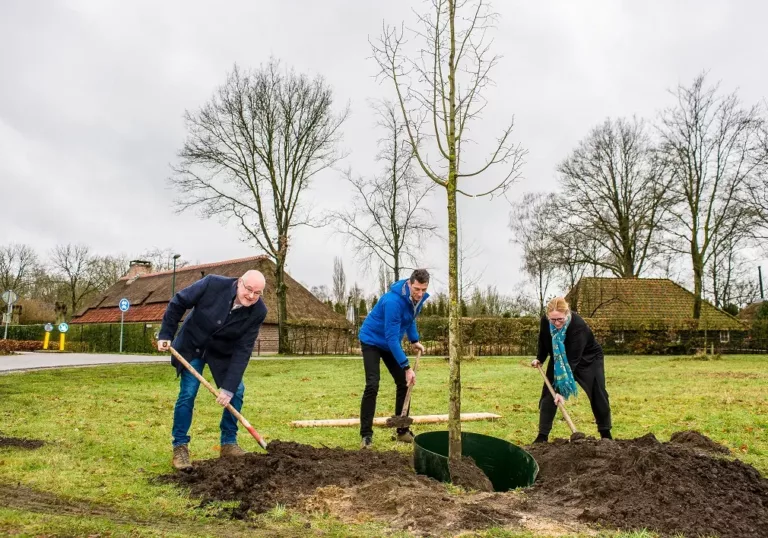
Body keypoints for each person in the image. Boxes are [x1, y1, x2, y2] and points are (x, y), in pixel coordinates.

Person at [157, 270, 267, 470]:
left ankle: (228, 443)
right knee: (188, 393)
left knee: (237, 392)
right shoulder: (212, 284)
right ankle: (180, 447)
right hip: (192, 347)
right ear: (239, 282)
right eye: (248, 289)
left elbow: (243, 350)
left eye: (257, 293)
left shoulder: (258, 311)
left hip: (222, 354)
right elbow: (178, 302)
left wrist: (228, 388)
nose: (251, 296)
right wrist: (166, 333)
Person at [357, 269, 430, 448]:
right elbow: (390, 337)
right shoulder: (392, 301)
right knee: (372, 384)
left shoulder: (416, 299)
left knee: (404, 384)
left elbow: (410, 319)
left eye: (423, 289)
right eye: (416, 289)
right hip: (372, 340)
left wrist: (414, 340)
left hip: (390, 342)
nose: (420, 294)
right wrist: (406, 367)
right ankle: (366, 435)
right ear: (409, 283)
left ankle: (402, 430)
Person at [531, 296, 612, 443]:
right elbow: (543, 340)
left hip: (588, 358)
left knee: (597, 392)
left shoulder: (578, 326)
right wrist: (540, 358)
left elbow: (572, 360)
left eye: (560, 319)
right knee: (549, 393)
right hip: (559, 357)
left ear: (567, 314)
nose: (556, 323)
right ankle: (542, 436)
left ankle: (606, 434)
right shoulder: (545, 321)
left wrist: (561, 392)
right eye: (553, 320)